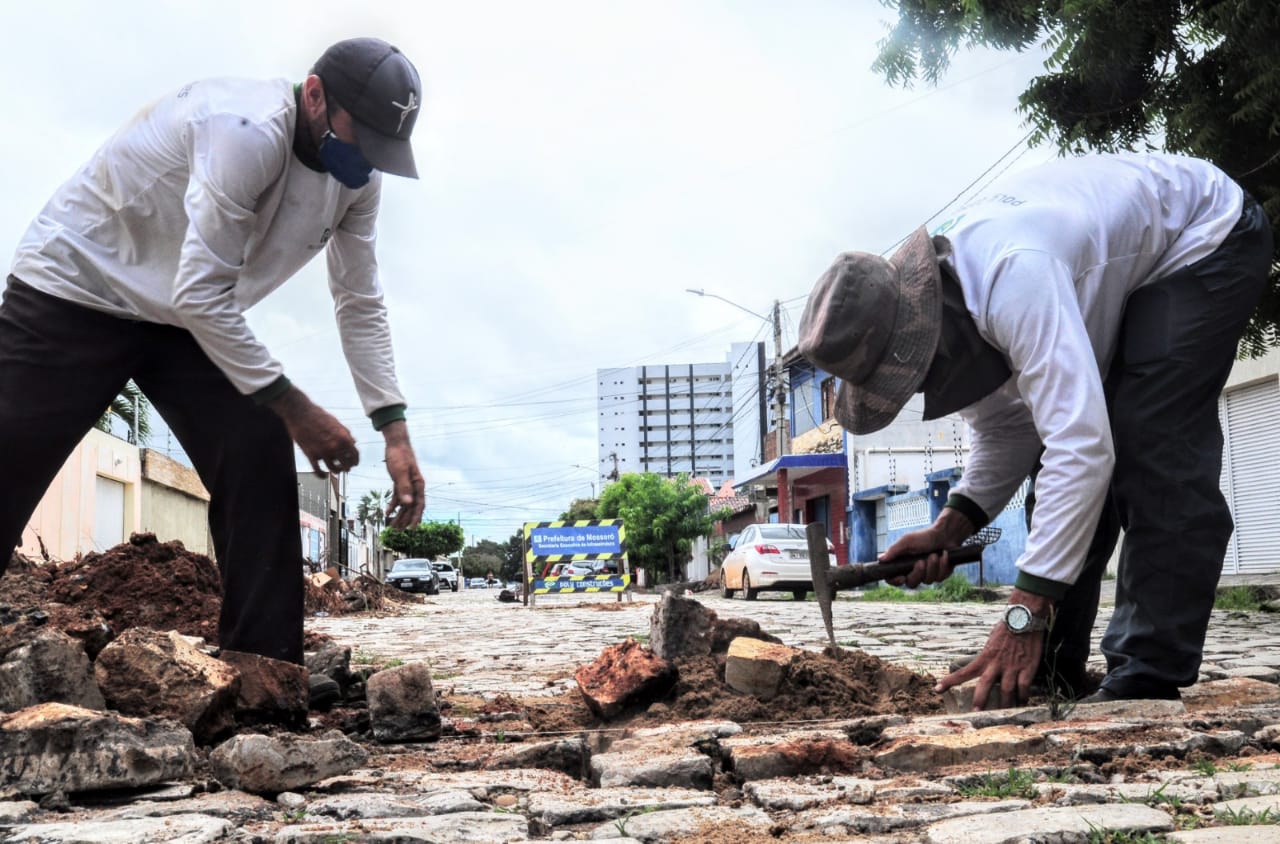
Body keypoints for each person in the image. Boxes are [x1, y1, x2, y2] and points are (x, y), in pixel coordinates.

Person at [0, 37, 428, 665]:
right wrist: (298, 408)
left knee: (256, 446)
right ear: (314, 95)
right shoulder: (244, 130)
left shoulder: (355, 180)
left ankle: (265, 672)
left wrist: (394, 429)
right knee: (7, 450)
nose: (367, 160)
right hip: (78, 286)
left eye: (382, 150)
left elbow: (359, 299)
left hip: (184, 314)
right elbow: (203, 294)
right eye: (359, 135)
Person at [799, 152, 1272, 710]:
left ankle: (1148, 671)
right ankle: (1048, 667)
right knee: (1059, 475)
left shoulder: (1013, 278)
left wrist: (1023, 610)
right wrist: (951, 527)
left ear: (925, 328)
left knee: (1149, 438)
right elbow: (1008, 431)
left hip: (1201, 234)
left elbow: (1083, 446)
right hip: (1121, 266)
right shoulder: (956, 316)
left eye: (909, 370)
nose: (918, 387)